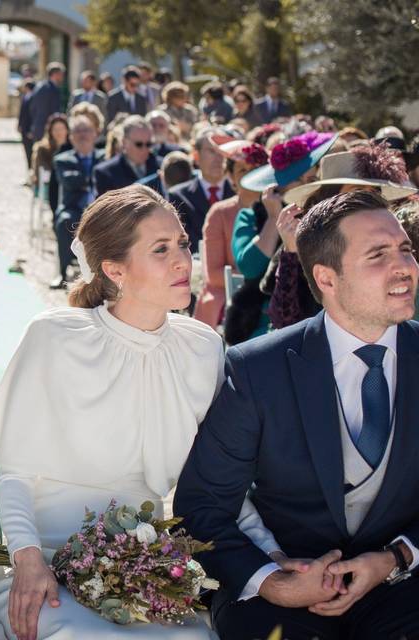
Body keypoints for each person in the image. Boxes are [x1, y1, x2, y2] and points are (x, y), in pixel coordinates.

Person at [0, 185, 263, 640]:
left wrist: (271, 559)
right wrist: (26, 560)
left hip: (141, 562)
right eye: (161, 249)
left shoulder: (202, 347)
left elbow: (220, 480)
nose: (183, 261)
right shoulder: (56, 336)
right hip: (41, 554)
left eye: (183, 244)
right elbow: (13, 474)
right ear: (114, 269)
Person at [176, 188, 419, 640]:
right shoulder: (255, 369)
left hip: (403, 589)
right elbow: (202, 507)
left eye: (405, 249)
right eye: (378, 254)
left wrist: (396, 557)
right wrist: (272, 583)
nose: (405, 265)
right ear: (327, 279)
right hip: (280, 597)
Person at [267, 144, 417, 330]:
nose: (367, 201)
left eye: (374, 193)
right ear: (331, 197)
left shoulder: (398, 236)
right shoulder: (305, 240)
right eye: (357, 191)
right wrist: (291, 251)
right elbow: (284, 320)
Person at [224, 132, 336, 343]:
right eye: (297, 180)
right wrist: (274, 217)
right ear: (279, 186)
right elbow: (249, 267)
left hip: (322, 311)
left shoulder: (324, 216)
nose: (306, 186)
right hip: (263, 316)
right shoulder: (251, 215)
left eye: (311, 179)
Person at [194, 138, 268, 328]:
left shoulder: (276, 209)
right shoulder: (220, 213)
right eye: (243, 170)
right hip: (228, 296)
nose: (251, 175)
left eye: (255, 169)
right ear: (231, 178)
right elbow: (214, 274)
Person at [49, 115, 103, 289]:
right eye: (77, 131)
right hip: (74, 208)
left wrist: (83, 178)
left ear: (95, 134)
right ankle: (62, 272)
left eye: (86, 130)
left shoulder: (105, 156)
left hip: (100, 209)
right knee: (64, 221)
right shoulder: (62, 159)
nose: (82, 135)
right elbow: (69, 183)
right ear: (70, 136)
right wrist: (92, 177)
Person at [169, 128, 236, 253]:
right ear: (196, 155)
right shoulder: (178, 196)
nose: (218, 158)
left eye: (222, 150)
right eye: (211, 151)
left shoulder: (240, 193)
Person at [94, 116, 159, 196]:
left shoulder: (160, 167)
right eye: (139, 144)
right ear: (124, 142)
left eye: (148, 144)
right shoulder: (106, 173)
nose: (144, 149)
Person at [31, 113, 68, 200]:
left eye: (61, 129)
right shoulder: (43, 148)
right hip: (47, 186)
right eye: (56, 129)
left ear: (67, 130)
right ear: (50, 131)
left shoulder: (72, 148)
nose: (59, 132)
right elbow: (41, 170)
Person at [27, 62, 65, 143]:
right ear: (55, 74)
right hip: (47, 129)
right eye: (61, 74)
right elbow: (54, 111)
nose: (62, 77)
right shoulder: (51, 89)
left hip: (38, 127)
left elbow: (32, 107)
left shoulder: (40, 86)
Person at [18, 79, 37, 171]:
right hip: (24, 129)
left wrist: (31, 130)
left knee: (30, 153)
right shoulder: (25, 96)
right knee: (27, 152)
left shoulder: (33, 98)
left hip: (29, 130)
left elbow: (32, 115)